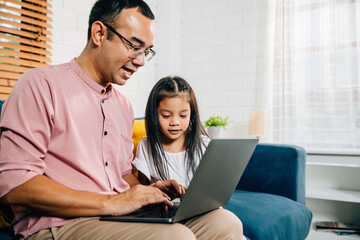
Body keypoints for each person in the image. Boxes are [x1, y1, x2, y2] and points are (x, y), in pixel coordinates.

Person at [0, 0, 246, 239]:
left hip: (117, 217)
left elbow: (122, 173)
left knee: (225, 223)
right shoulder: (39, 84)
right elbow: (15, 185)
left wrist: (147, 191)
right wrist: (113, 202)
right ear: (99, 33)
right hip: (59, 224)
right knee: (175, 236)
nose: (140, 61)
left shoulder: (123, 106)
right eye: (134, 46)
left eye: (146, 51)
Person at [133, 76, 210, 188]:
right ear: (154, 114)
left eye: (183, 116)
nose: (175, 122)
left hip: (199, 205)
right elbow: (143, 191)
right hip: (164, 205)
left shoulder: (204, 144)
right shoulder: (145, 146)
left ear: (191, 115)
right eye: (166, 116)